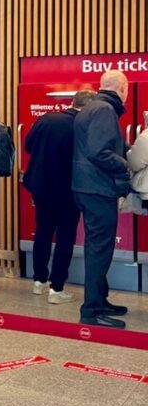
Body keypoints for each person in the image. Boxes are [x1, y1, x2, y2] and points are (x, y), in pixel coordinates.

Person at [23, 88, 96, 303]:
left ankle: (39, 281)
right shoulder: (83, 125)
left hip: (42, 186)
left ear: (73, 101)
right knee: (65, 236)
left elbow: (28, 146)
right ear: (89, 107)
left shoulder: (46, 119)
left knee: (43, 231)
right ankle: (57, 288)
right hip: (69, 190)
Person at [72, 70, 131, 328]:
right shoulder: (105, 110)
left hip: (86, 187)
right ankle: (92, 310)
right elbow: (99, 152)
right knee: (99, 249)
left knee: (98, 247)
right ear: (122, 87)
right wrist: (125, 164)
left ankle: (100, 299)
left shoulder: (92, 107)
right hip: (98, 188)